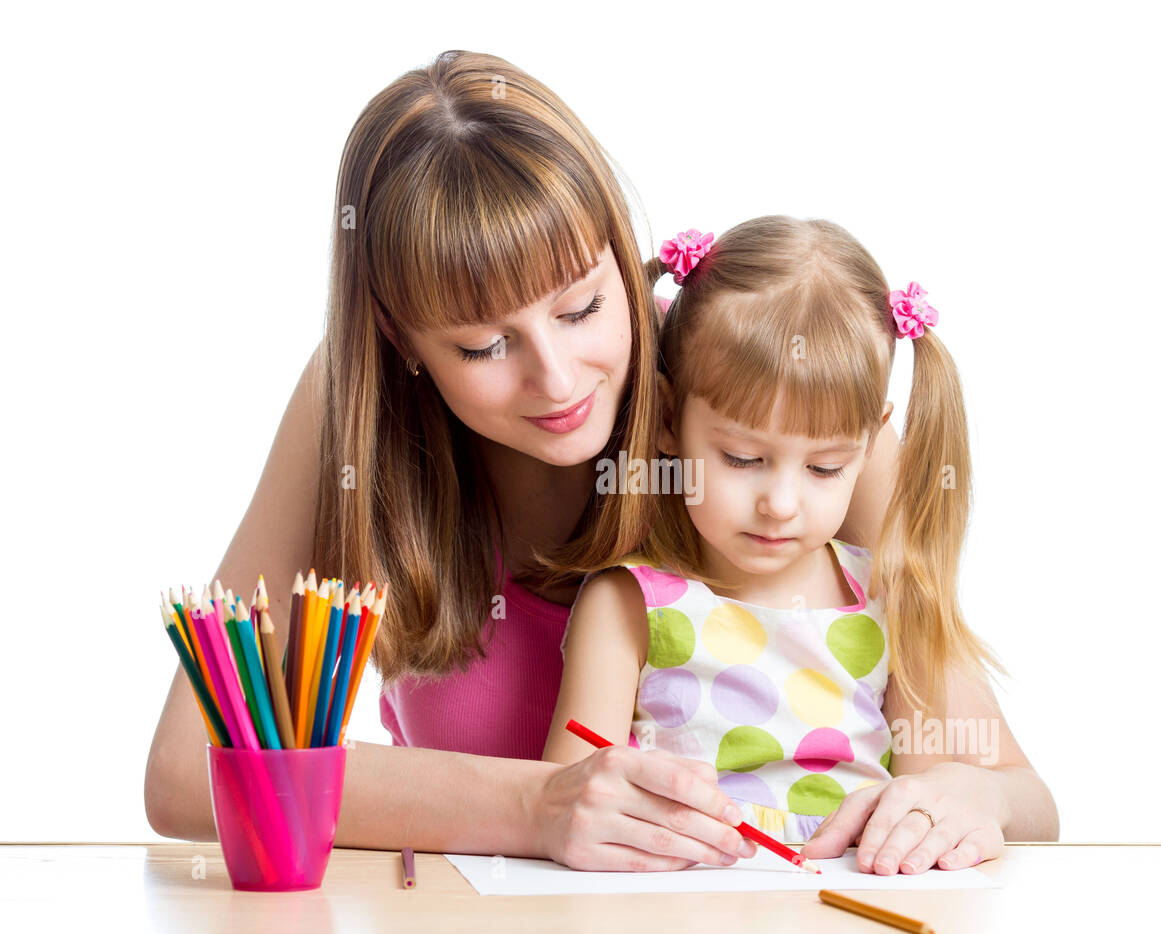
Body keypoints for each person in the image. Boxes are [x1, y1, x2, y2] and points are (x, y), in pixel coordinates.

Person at [142, 49, 904, 871]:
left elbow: (1003, 776)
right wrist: (533, 805)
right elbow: (189, 772)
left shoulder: (763, 397)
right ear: (401, 338)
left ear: (621, 253)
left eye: (583, 306)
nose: (557, 376)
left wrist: (963, 796)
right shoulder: (353, 412)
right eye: (483, 345)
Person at [542, 217, 1058, 873]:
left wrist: (963, 800)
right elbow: (568, 806)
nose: (781, 503)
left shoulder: (887, 600)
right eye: (742, 456)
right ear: (669, 419)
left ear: (871, 446)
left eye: (824, 468)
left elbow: (1032, 808)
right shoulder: (628, 602)